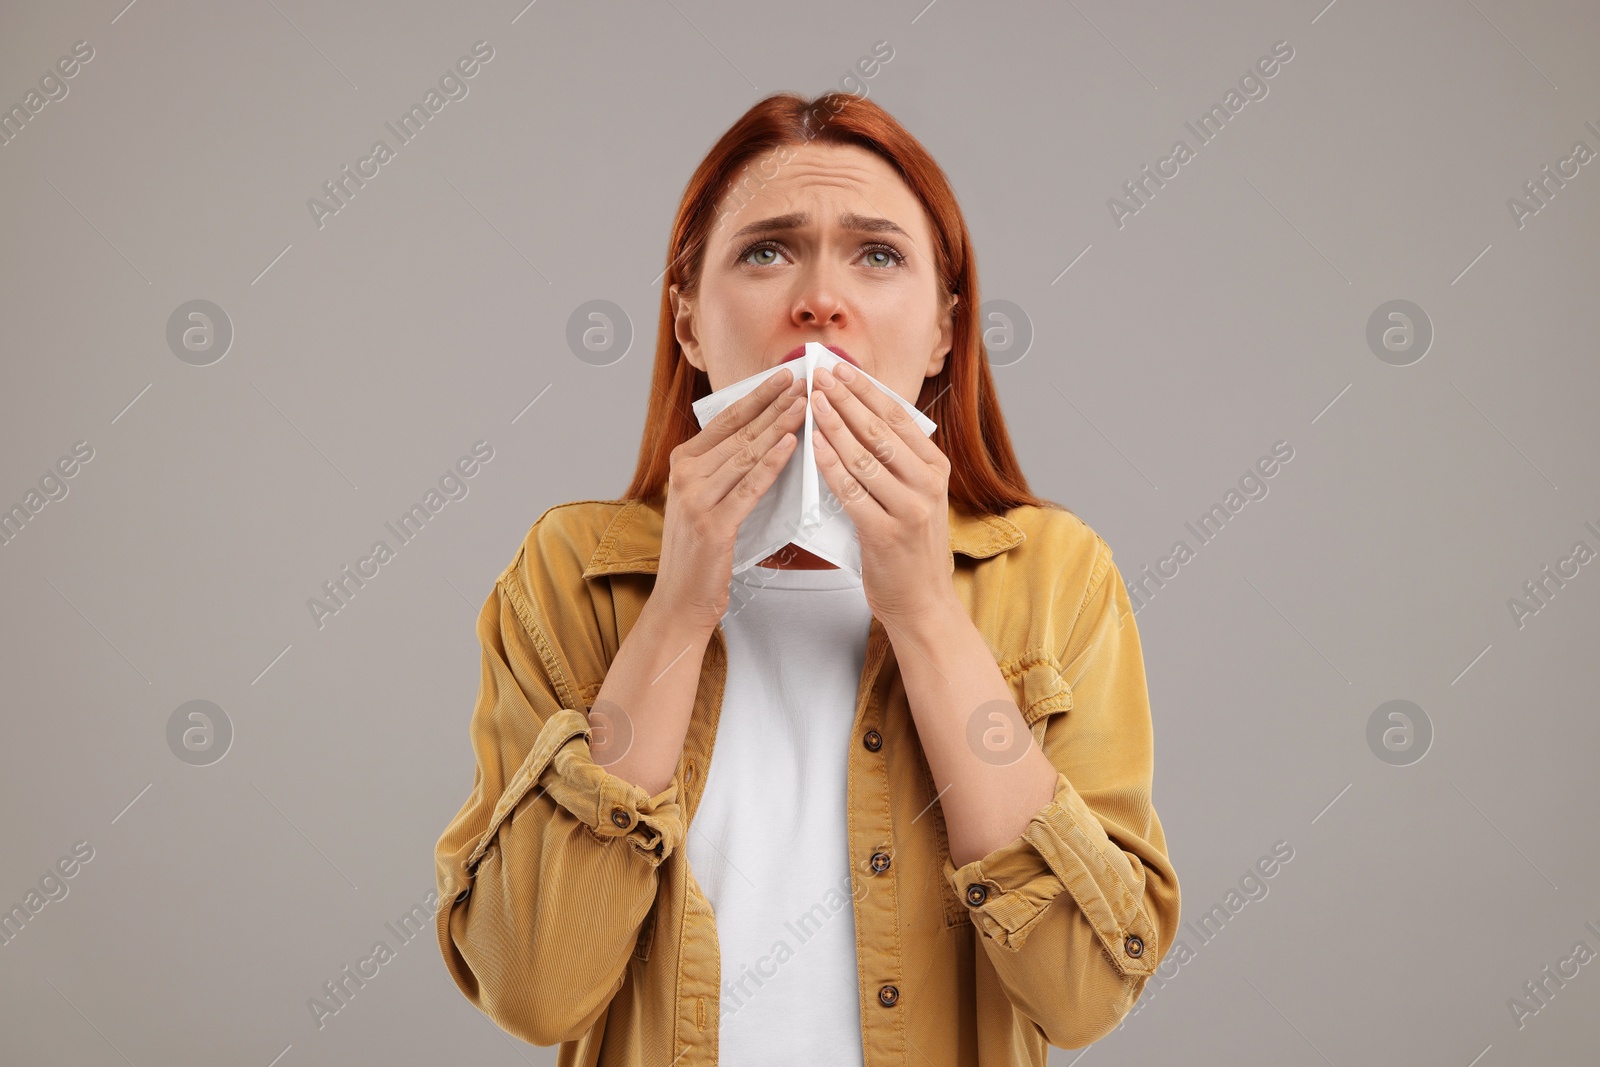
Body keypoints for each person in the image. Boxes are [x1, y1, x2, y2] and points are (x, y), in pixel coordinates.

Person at [433, 90, 1180, 1066]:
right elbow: (533, 985)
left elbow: (1083, 993)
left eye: (876, 254)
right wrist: (678, 608)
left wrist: (922, 611)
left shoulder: (1054, 575)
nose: (820, 299)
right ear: (689, 322)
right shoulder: (573, 572)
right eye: (766, 250)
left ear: (947, 331)